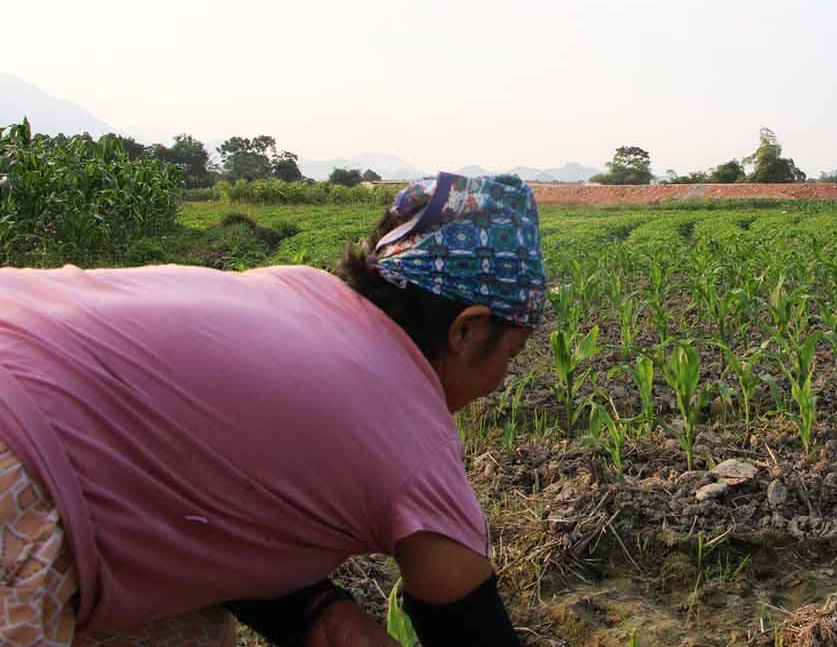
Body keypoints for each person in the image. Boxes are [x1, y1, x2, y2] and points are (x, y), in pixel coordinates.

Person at [0, 172, 545, 647]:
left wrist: (317, 612)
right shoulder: (413, 437)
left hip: (26, 360)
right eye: (512, 354)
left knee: (190, 630)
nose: (501, 382)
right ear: (466, 331)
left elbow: (210, 489)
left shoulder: (304, 289)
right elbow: (469, 627)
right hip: (18, 462)